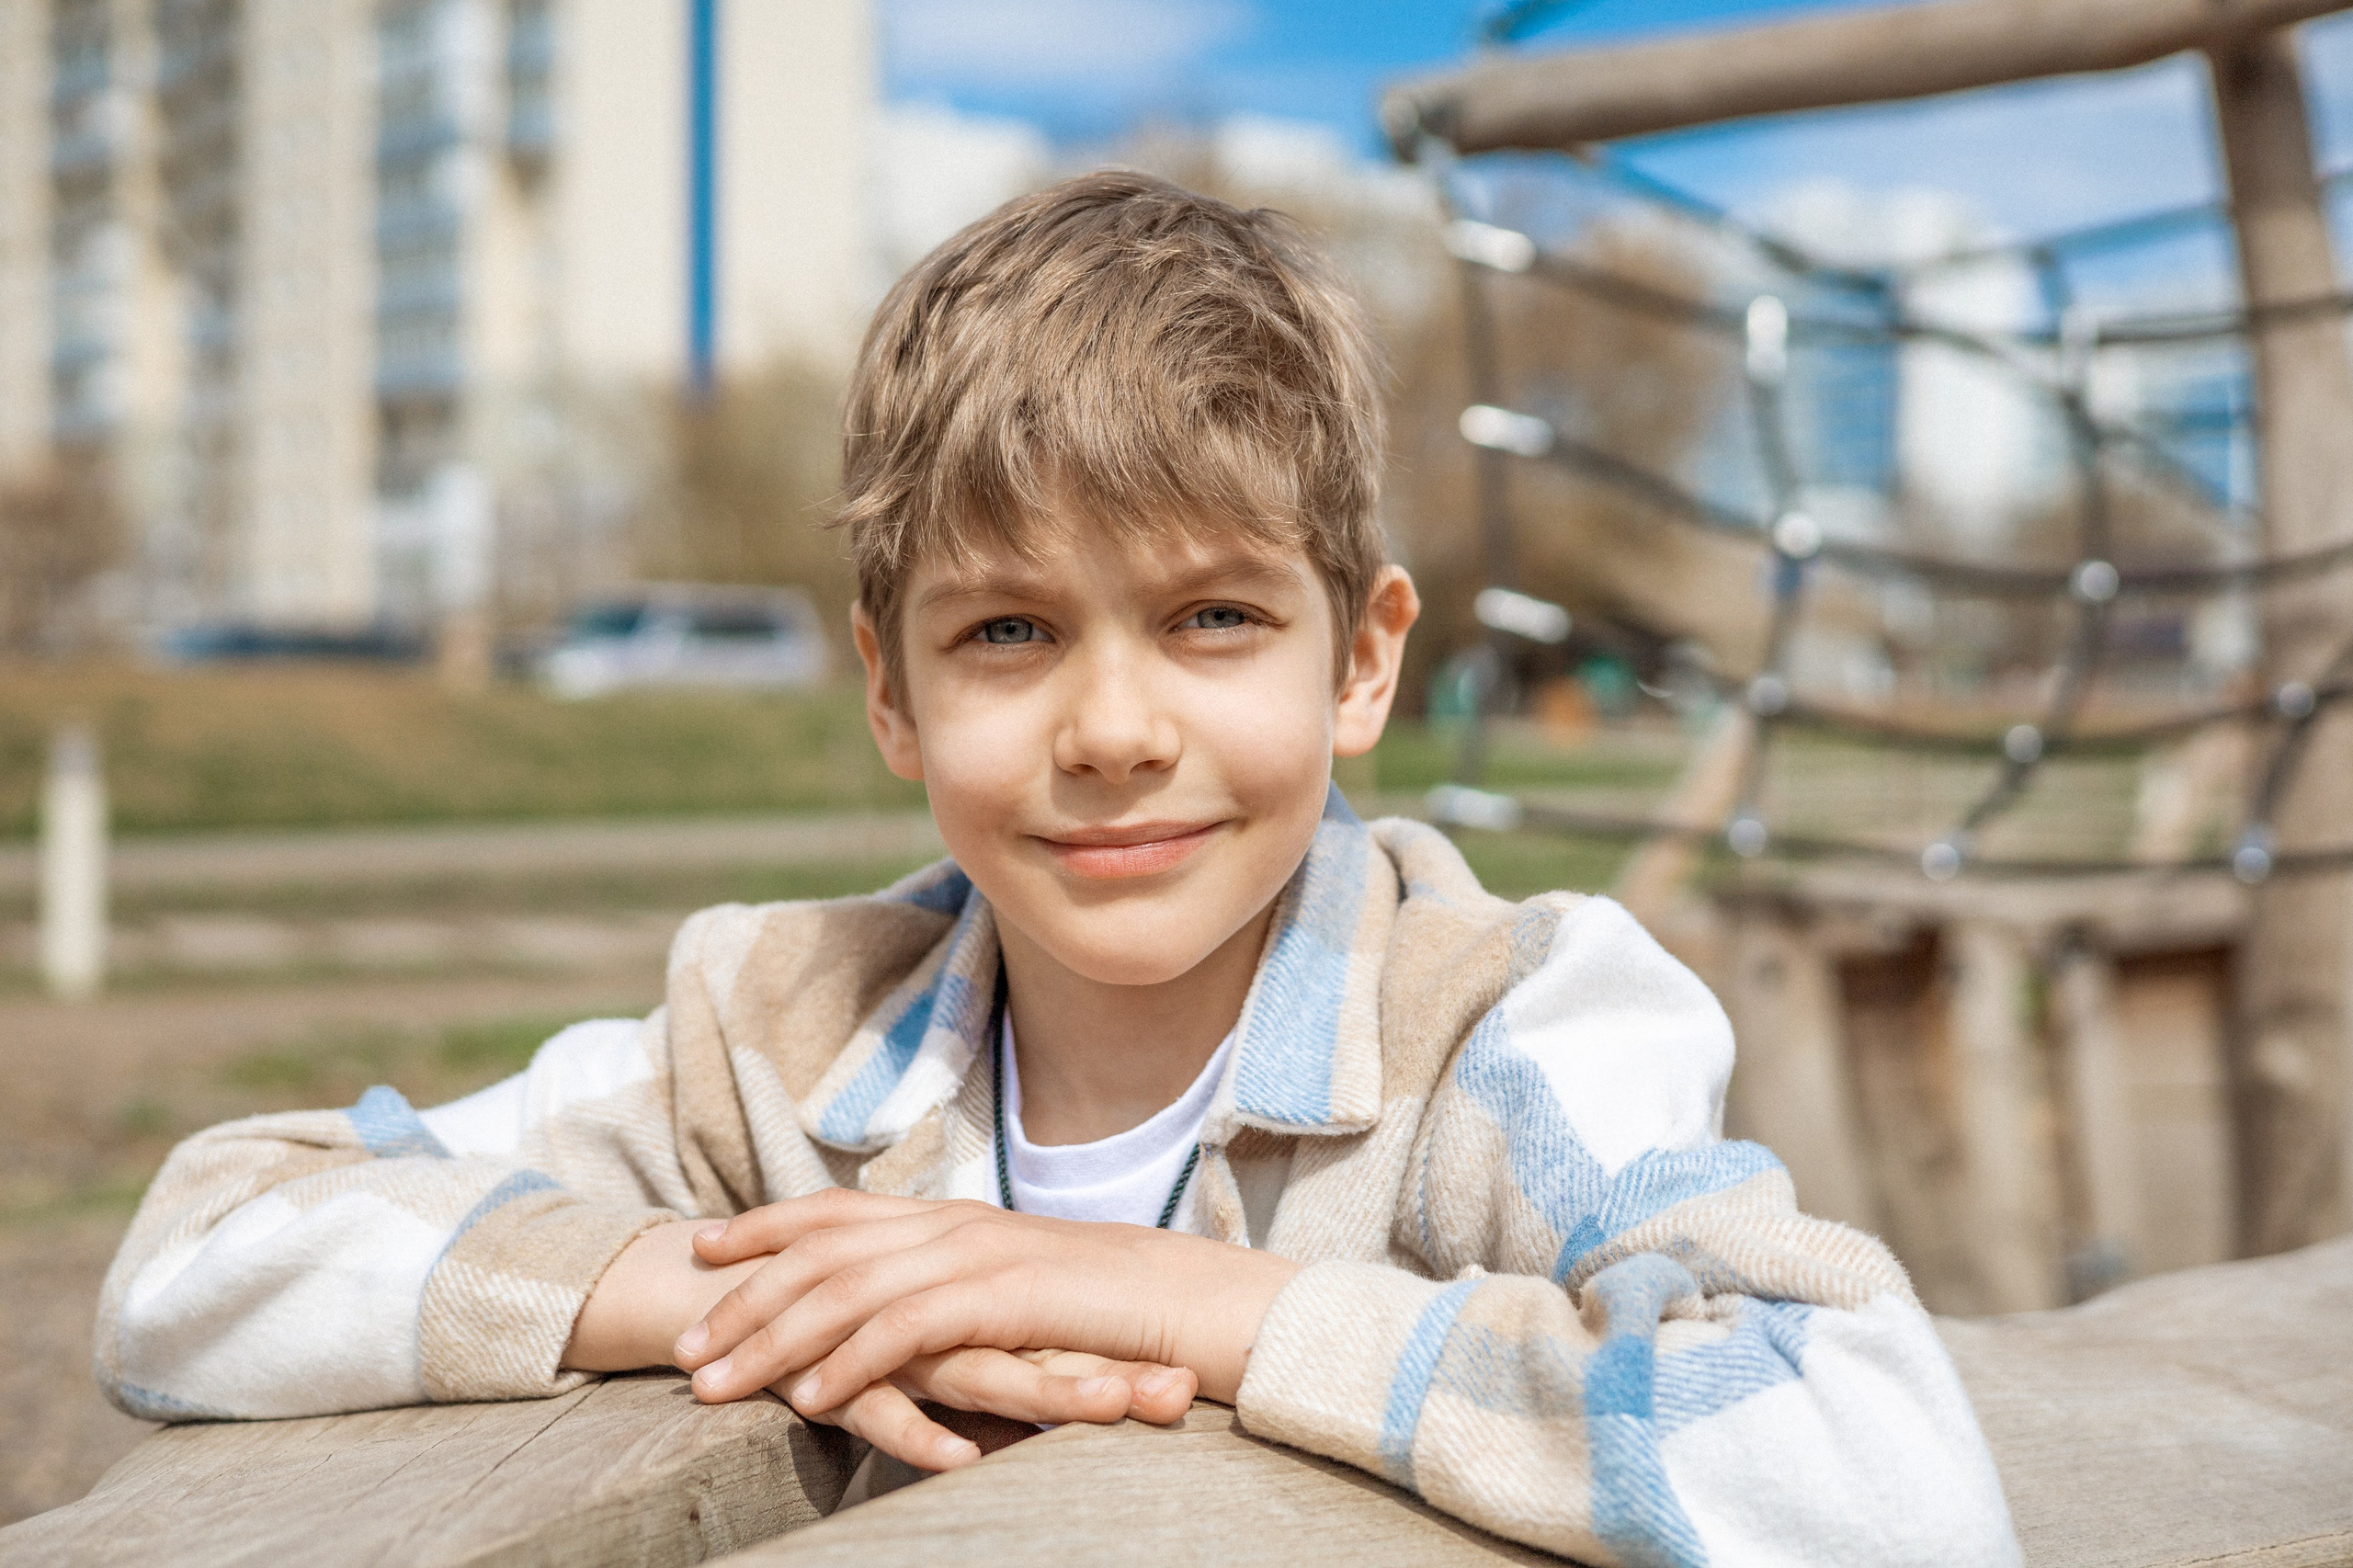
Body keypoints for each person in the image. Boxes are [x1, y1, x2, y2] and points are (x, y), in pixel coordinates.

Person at [95, 171, 2018, 1565]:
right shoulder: (770, 1029)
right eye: (1009, 633)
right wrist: (706, 1288)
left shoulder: (1508, 1018)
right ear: (891, 691)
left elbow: (1883, 1475)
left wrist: (1178, 1304)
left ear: (1360, 662)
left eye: (1207, 619)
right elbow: (196, 1257)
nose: (1110, 728)